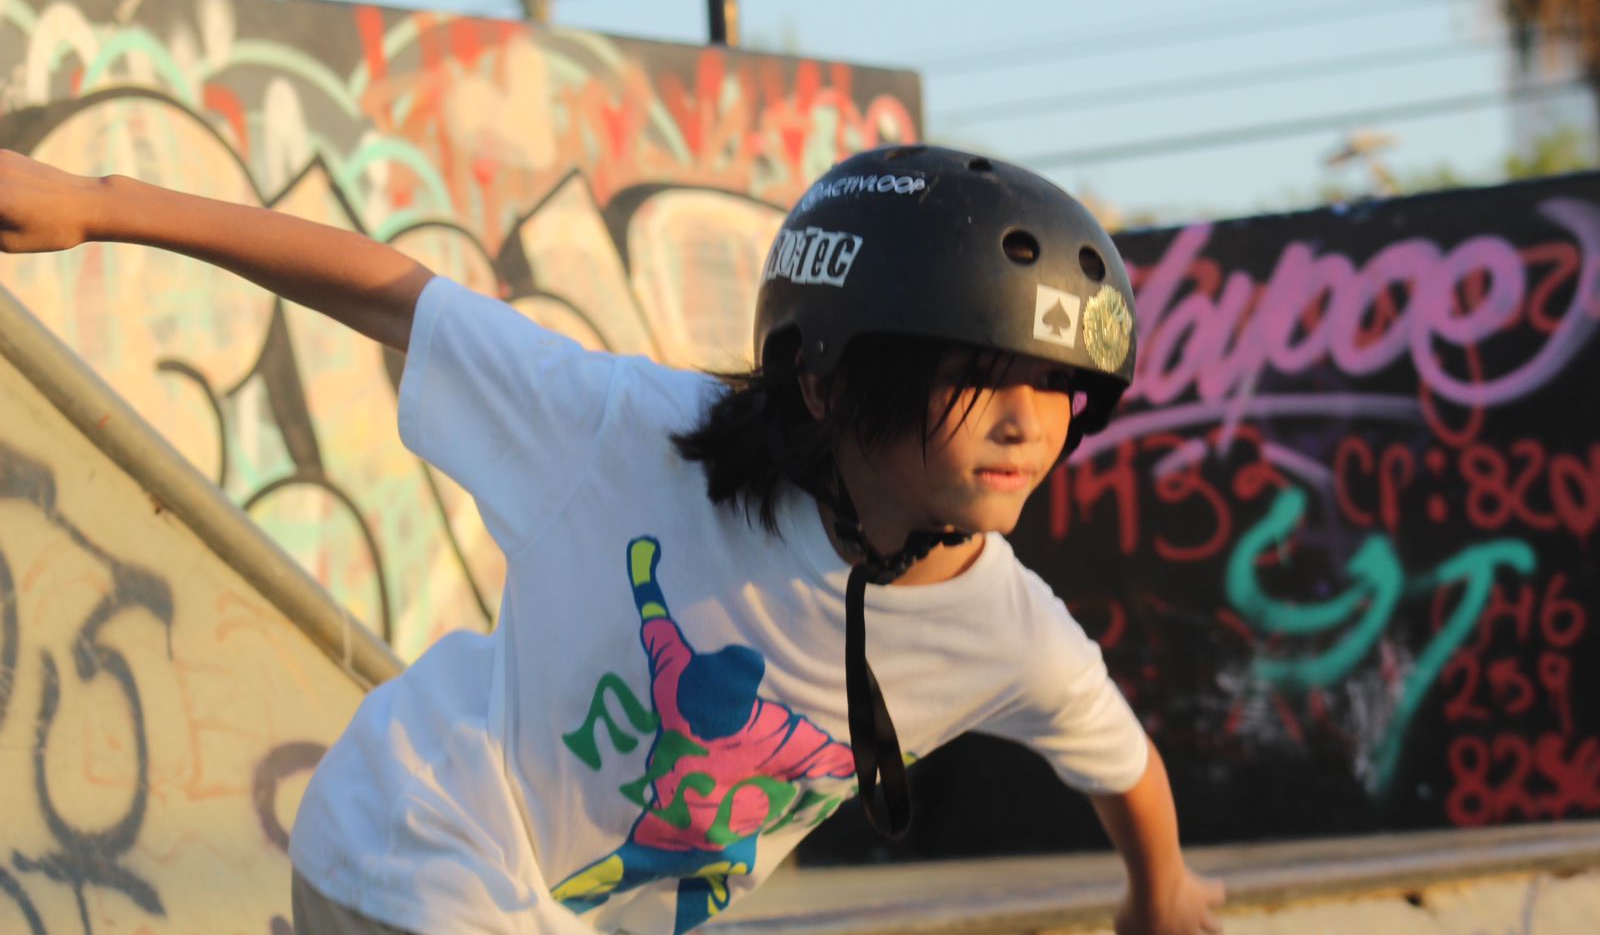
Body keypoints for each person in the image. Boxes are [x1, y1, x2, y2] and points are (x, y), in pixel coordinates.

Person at [0, 144, 1225, 935]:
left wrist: (1158, 892)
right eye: (977, 377)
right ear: (824, 384)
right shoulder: (628, 429)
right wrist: (98, 206)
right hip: (418, 831)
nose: (1027, 423)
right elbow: (391, 291)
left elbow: (1118, 762)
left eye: (1059, 385)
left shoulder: (1009, 625)